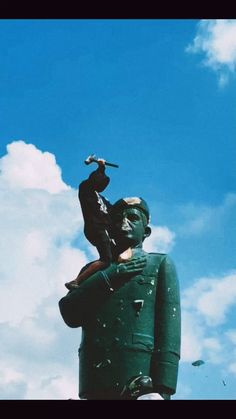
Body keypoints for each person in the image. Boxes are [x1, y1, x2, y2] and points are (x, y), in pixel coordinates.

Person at [59, 197, 181, 400]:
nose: (124, 224)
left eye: (133, 218)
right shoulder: (93, 271)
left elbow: (170, 330)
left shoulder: (158, 264)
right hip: (95, 379)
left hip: (139, 377)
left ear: (146, 231)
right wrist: (110, 276)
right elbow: (69, 313)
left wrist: (163, 387)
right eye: (117, 219)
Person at [65, 158, 115, 290]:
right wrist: (101, 167)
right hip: (96, 227)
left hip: (101, 227)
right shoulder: (86, 188)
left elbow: (114, 210)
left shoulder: (101, 198)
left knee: (111, 256)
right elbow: (95, 179)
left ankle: (90, 276)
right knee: (106, 259)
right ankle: (77, 281)